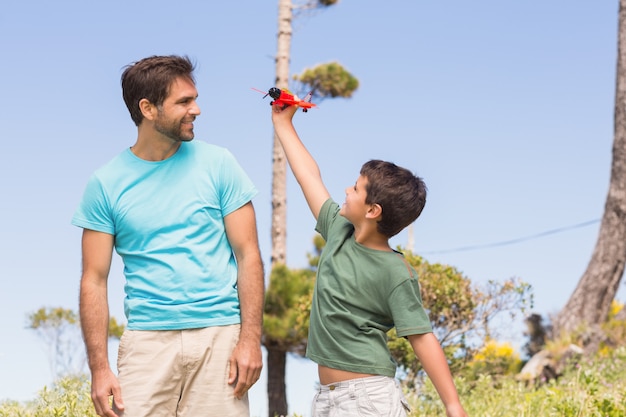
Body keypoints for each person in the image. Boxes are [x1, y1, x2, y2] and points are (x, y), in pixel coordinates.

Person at [72, 55, 264, 417]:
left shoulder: (220, 164)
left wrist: (250, 340)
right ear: (148, 108)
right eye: (184, 102)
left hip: (219, 338)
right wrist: (99, 369)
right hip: (147, 344)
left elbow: (249, 255)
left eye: (194, 98)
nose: (197, 109)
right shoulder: (105, 184)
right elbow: (93, 280)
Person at [270, 101, 468, 417]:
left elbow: (422, 337)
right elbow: (309, 175)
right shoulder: (338, 228)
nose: (346, 189)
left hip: (367, 400)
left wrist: (453, 405)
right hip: (326, 399)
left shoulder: (395, 271)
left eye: (356, 188)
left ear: (373, 210)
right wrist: (283, 125)